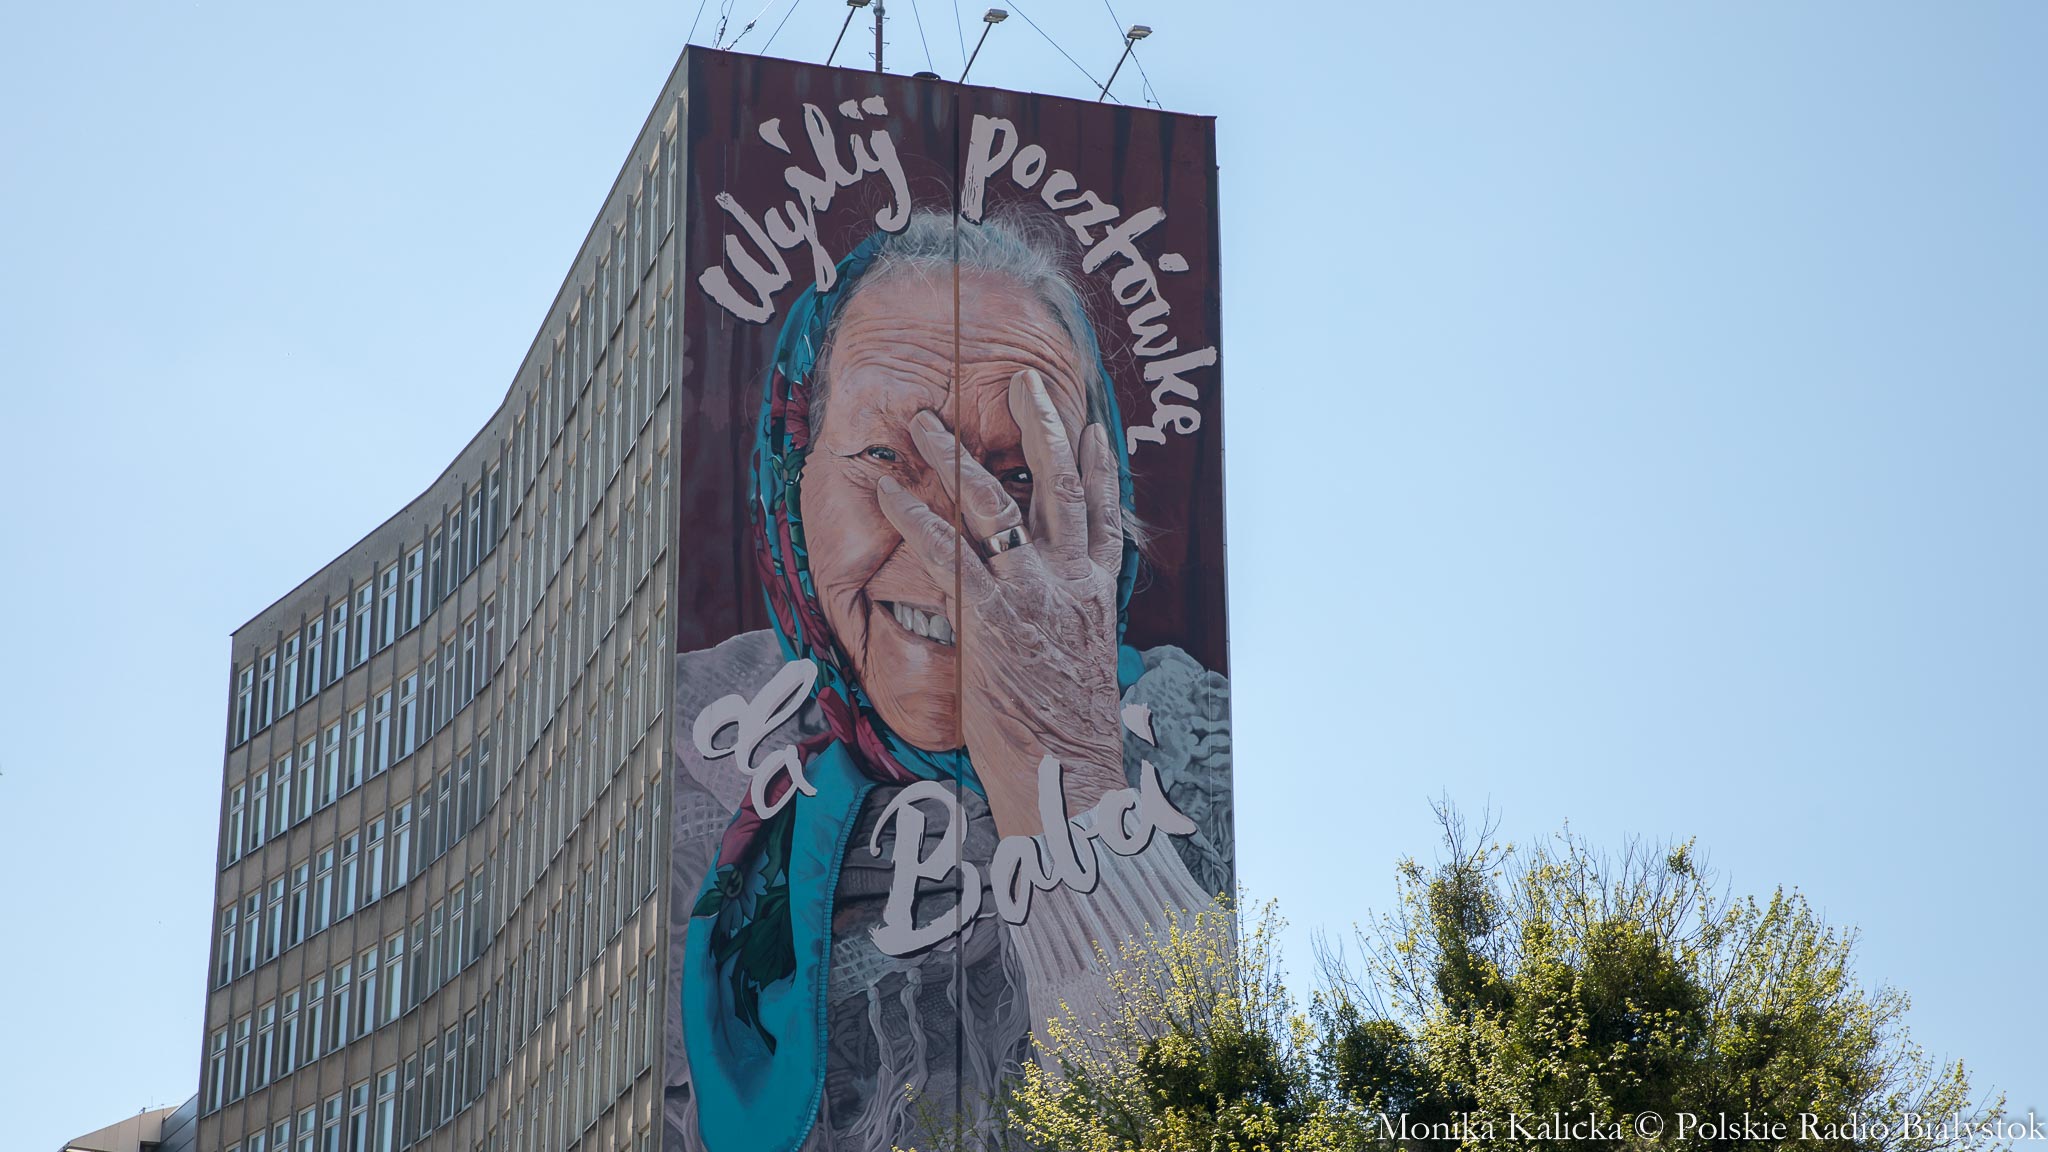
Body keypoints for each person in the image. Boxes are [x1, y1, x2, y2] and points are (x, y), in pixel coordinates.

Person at [667, 211, 1233, 1152]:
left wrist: (1067, 768)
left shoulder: (1193, 746)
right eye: (888, 459)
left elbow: (1199, 1113)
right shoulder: (678, 743)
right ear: (791, 478)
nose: (947, 552)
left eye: (1017, 476)